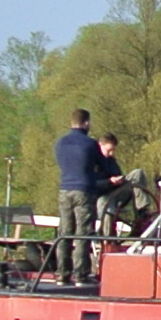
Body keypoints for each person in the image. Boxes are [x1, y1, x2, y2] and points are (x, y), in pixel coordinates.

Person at [54, 109, 112, 275]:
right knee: (83, 233)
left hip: (64, 189)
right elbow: (103, 166)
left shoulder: (60, 143)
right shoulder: (90, 144)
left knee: (64, 232)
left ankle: (62, 274)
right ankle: (81, 274)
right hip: (84, 190)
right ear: (86, 123)